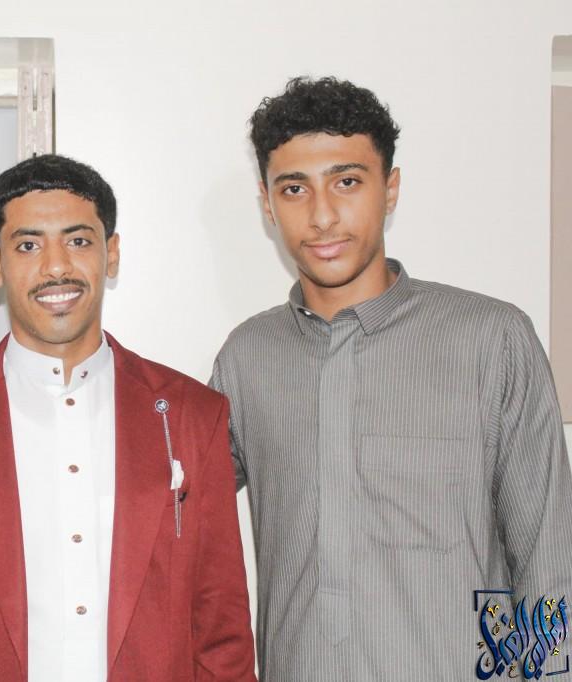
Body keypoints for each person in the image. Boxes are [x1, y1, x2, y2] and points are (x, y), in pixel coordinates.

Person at [210, 76, 572, 680]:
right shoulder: (247, 356)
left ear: (391, 189)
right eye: (295, 189)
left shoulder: (492, 339)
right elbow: (172, 519)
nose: (322, 215)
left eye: (347, 182)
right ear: (268, 205)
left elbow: (548, 562)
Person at [0, 154, 256, 681]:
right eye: (28, 245)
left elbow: (223, 634)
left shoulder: (194, 415)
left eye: (78, 240)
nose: (56, 267)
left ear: (111, 253)